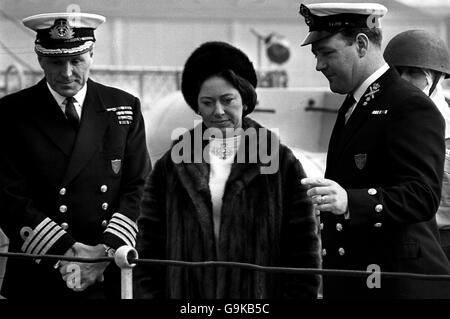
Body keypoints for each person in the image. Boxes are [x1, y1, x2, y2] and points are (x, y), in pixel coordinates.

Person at [133, 41, 320, 299]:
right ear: (196, 106)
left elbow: (303, 250)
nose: (218, 111)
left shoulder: (280, 162)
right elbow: (149, 246)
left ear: (244, 100)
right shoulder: (172, 165)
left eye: (227, 100)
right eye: (207, 102)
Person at [298, 3, 450, 298]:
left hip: (394, 282)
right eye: (316, 56)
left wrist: (349, 201)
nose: (319, 65)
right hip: (359, 279)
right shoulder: (357, 104)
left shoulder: (409, 105)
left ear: (362, 44)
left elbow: (422, 196)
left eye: (327, 52)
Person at [0, 12, 150, 299]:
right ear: (40, 59)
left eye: (76, 61)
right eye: (56, 62)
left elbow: (140, 186)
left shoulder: (123, 108)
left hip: (108, 270)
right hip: (39, 271)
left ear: (91, 55)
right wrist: (66, 251)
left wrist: (103, 253)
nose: (67, 73)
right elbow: (8, 195)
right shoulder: (11, 114)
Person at [384, 30, 450, 262]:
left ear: (437, 78)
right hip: (403, 245)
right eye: (396, 72)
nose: (403, 80)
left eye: (414, 73)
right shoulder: (381, 121)